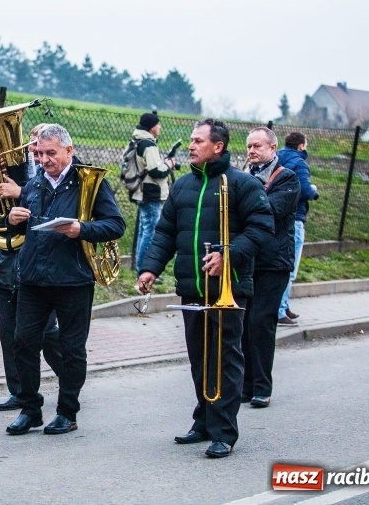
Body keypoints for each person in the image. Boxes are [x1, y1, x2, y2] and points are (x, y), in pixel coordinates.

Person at [137, 118, 273, 458]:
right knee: (200, 357)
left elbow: (262, 227)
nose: (192, 145)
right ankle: (203, 421)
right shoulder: (182, 186)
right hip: (193, 287)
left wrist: (228, 256)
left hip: (229, 288)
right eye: (193, 140)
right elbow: (166, 233)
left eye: (199, 140)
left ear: (218, 146)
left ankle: (224, 431)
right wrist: (151, 268)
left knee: (225, 358)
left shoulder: (241, 184)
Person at [6, 123, 125, 435]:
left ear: (69, 151)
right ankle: (30, 409)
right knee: (23, 343)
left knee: (72, 349)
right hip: (33, 279)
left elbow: (115, 224)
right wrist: (13, 220)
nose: (44, 159)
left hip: (73, 279)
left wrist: (81, 230)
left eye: (51, 153)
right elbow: (24, 226)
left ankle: (67, 412)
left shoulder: (90, 183)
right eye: (40, 153)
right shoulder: (34, 184)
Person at [0, 123, 63, 411]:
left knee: (45, 333)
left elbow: (56, 212)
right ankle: (19, 391)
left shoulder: (60, 175)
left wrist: (19, 192)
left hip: (40, 266)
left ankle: (69, 375)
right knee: (10, 332)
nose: (35, 149)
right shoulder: (14, 169)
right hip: (8, 261)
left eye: (42, 144)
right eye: (32, 142)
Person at [240, 127, 300, 409]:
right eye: (249, 146)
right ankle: (245, 385)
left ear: (273, 149)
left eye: (258, 146)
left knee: (261, 323)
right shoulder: (243, 176)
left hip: (274, 263)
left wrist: (243, 202)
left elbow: (270, 212)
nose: (252, 151)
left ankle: (262, 387)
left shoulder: (287, 178)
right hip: (247, 261)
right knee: (242, 324)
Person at [276, 132, 319, 326]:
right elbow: (303, 189)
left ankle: (284, 306)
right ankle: (280, 311)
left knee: (281, 265)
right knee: (290, 268)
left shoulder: (276, 156)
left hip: (278, 216)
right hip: (295, 217)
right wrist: (314, 191)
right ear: (301, 145)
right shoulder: (299, 162)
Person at [129, 112, 175, 276]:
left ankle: (141, 269)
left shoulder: (137, 141)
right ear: (152, 127)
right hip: (151, 193)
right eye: (158, 124)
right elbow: (156, 171)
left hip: (141, 191)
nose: (160, 127)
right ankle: (144, 271)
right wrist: (168, 165)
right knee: (150, 233)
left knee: (144, 230)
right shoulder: (148, 144)